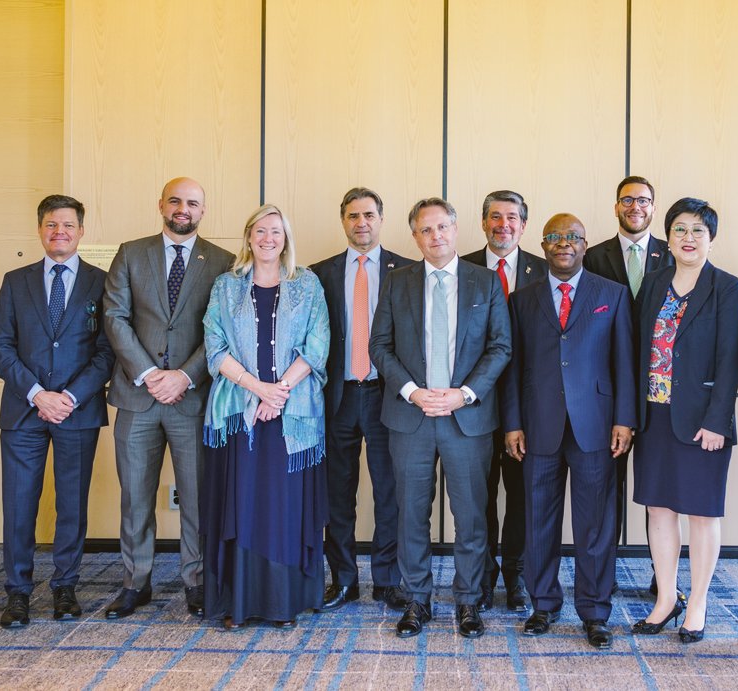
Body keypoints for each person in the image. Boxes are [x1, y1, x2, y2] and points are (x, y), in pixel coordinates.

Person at [370, 197, 510, 639]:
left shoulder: (484, 282)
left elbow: (500, 347)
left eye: (442, 227)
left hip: (466, 418)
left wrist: (462, 395)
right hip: (410, 416)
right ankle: (417, 599)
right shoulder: (397, 282)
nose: (436, 236)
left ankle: (468, 600)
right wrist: (412, 392)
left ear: (455, 229)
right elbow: (380, 346)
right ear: (415, 236)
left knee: (471, 515)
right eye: (426, 230)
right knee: (411, 514)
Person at [502, 213, 635, 650]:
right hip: (537, 426)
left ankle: (595, 611)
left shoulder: (611, 294)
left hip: (596, 426)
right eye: (555, 237)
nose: (564, 243)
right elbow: (513, 368)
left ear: (584, 245)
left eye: (573, 237)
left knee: (596, 525)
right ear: (543, 245)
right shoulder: (522, 299)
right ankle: (543, 604)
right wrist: (513, 423)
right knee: (538, 521)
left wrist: (624, 419)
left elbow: (624, 362)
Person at [103, 177, 234, 619]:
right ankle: (134, 582)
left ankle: (195, 581)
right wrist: (148, 374)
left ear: (203, 210)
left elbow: (222, 330)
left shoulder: (223, 262)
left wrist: (184, 376)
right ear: (161, 204)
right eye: (175, 201)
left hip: (191, 399)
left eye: (192, 203)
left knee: (197, 497)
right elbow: (115, 317)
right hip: (136, 395)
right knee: (135, 496)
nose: (183, 209)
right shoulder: (130, 253)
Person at [200, 204, 330, 629]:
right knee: (243, 506)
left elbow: (317, 345)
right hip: (240, 415)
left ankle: (282, 604)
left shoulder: (306, 283)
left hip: (293, 418)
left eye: (276, 231)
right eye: (260, 230)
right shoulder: (226, 286)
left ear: (285, 237)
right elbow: (215, 347)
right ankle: (238, 603)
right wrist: (259, 390)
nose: (268, 238)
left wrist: (279, 393)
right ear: (248, 237)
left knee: (282, 509)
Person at [0, 195, 115, 628]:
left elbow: (107, 352)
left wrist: (70, 397)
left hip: (77, 412)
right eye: (50, 225)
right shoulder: (15, 281)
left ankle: (65, 586)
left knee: (71, 504)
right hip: (23, 411)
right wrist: (37, 394)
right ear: (40, 230)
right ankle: (17, 591)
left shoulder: (102, 282)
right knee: (19, 504)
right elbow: (1, 348)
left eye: (67, 225)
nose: (59, 232)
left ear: (81, 231)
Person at [631, 198, 738, 643]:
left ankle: (697, 602)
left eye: (698, 230)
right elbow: (638, 348)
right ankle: (666, 598)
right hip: (654, 415)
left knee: (701, 512)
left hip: (702, 421)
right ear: (668, 237)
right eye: (680, 229)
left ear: (711, 238)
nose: (688, 238)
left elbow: (730, 358)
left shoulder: (727, 287)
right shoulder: (654, 283)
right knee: (659, 508)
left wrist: (718, 421)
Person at [310, 188, 412, 612]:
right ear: (343, 221)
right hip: (338, 397)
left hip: (388, 396)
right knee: (337, 494)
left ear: (381, 219)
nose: (361, 223)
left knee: (390, 492)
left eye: (369, 214)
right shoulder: (320, 273)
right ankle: (344, 579)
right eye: (353, 216)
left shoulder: (406, 271)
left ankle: (387, 579)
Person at [584, 175, 672, 591]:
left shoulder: (673, 253)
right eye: (627, 200)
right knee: (607, 490)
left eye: (644, 200)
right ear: (616, 206)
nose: (635, 206)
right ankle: (604, 575)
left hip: (660, 389)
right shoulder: (592, 256)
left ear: (653, 207)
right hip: (607, 388)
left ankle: (663, 576)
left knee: (661, 491)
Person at [461, 190, 547, 613]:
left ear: (524, 225)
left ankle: (516, 574)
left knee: (521, 495)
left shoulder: (545, 271)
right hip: (472, 403)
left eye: (512, 217)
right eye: (495, 217)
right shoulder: (460, 269)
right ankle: (482, 574)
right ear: (483, 223)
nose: (503, 225)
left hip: (527, 407)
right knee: (478, 495)